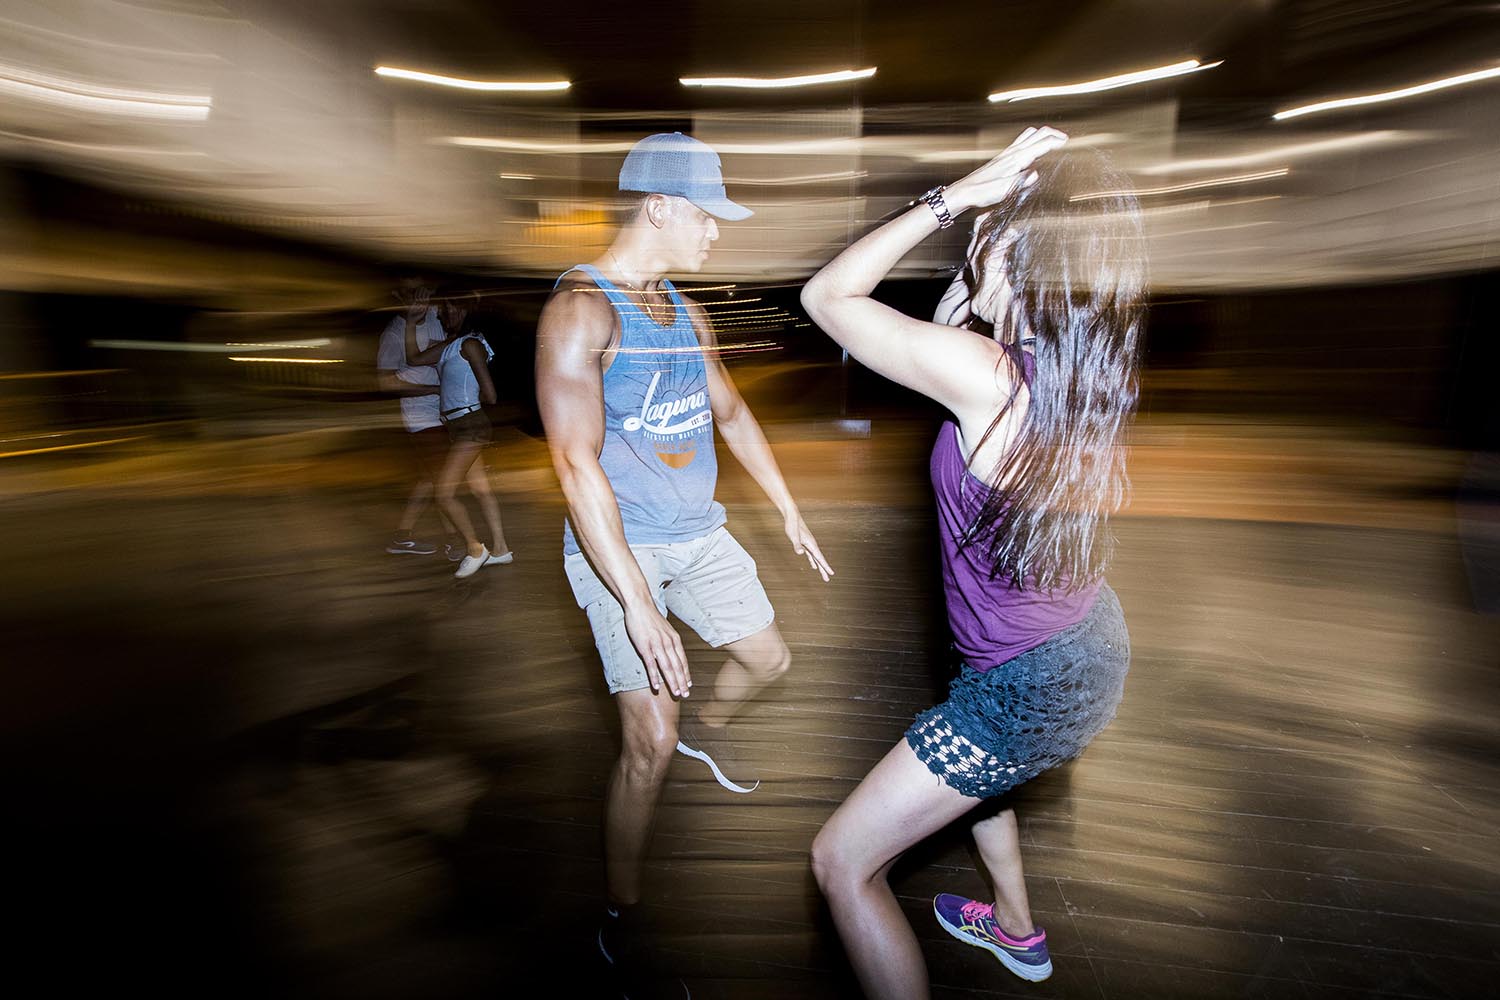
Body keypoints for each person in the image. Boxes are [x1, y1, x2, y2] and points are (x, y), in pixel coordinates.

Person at [800, 127, 1146, 998]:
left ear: (1016, 254)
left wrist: (956, 197)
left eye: (985, 240)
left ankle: (1005, 930)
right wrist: (989, 261)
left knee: (841, 862)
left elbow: (828, 297)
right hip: (1081, 644)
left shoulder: (988, 378)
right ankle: (1017, 931)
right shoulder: (1079, 375)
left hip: (1025, 682)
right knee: (983, 776)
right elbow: (946, 325)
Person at [534, 132, 833, 982]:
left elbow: (730, 415)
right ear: (659, 207)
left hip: (699, 531)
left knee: (769, 660)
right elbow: (574, 465)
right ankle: (620, 910)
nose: (715, 231)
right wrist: (637, 601)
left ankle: (709, 729)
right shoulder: (580, 312)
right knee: (649, 745)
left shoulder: (686, 312)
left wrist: (788, 508)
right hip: (619, 546)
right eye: (706, 214)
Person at [403, 288, 512, 579]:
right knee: (481, 489)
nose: (444, 314)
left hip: (470, 424)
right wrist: (411, 322)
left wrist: (467, 402)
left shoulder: (471, 344)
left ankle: (475, 549)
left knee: (444, 493)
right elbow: (413, 359)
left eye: (451, 309)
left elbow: (490, 395)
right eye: (444, 309)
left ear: (465, 311)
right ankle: (501, 549)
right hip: (458, 425)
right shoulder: (451, 346)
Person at [376, 280, 455, 558]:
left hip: (442, 413)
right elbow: (386, 384)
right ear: (397, 295)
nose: (419, 297)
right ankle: (458, 542)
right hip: (421, 417)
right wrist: (432, 390)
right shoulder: (393, 334)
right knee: (444, 482)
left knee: (429, 480)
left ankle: (401, 537)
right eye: (411, 292)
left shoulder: (434, 316)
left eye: (423, 290)